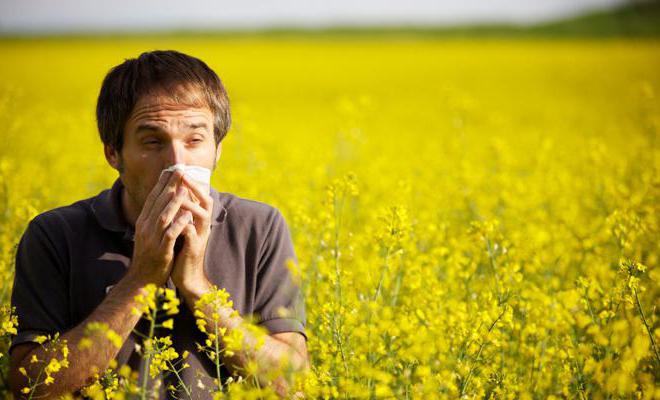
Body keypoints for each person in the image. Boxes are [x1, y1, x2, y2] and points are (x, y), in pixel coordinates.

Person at [8, 50, 309, 399]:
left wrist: (198, 288)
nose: (177, 164)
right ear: (112, 153)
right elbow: (30, 387)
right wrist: (140, 280)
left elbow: (293, 382)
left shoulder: (259, 227)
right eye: (153, 142)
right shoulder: (55, 235)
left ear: (218, 150)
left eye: (195, 140)